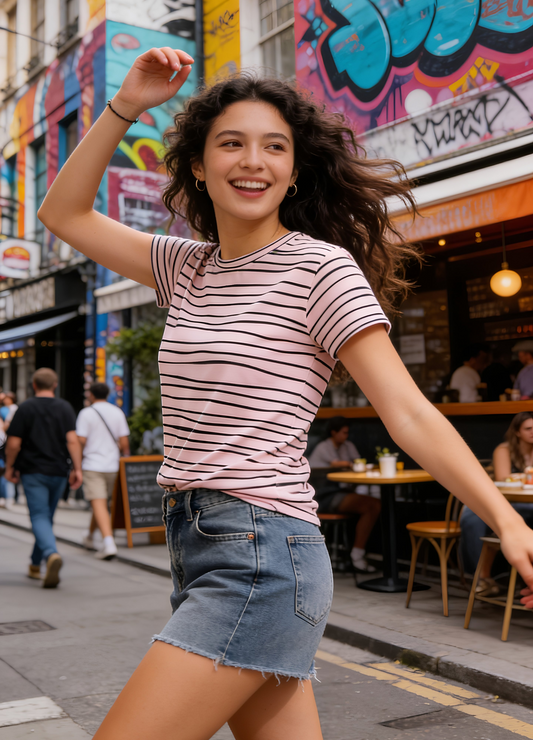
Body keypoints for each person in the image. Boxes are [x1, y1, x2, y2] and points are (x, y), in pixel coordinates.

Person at [37, 46, 533, 740]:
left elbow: (407, 410)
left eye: (274, 147)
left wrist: (503, 518)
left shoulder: (318, 268)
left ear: (294, 172)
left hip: (260, 551)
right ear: (199, 167)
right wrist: (126, 106)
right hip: (200, 542)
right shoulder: (183, 267)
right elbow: (63, 213)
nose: (252, 161)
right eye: (231, 144)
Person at [4, 368, 82, 588]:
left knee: (39, 516)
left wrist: (10, 467)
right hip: (58, 471)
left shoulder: (26, 407)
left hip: (32, 471)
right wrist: (78, 468)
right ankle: (35, 564)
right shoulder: (64, 407)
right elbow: (72, 441)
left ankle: (50, 554)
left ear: (34, 385)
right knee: (46, 517)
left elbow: (13, 443)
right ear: (54, 384)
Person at [461, 412, 533, 595]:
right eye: (528, 428)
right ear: (517, 432)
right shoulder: (504, 450)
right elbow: (503, 479)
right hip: (501, 502)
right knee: (474, 519)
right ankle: (482, 578)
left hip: (526, 503)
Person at [309, 417, 380, 572]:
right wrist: (351, 464)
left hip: (343, 491)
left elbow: (358, 462)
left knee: (374, 504)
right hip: (323, 496)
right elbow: (339, 464)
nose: (346, 436)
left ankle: (357, 553)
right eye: (344, 432)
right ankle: (357, 555)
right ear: (333, 432)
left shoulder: (348, 446)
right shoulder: (324, 446)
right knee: (372, 505)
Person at [77, 381, 130, 560]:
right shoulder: (117, 412)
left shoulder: (86, 413)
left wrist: (76, 463)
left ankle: (108, 543)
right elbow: (124, 443)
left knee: (98, 502)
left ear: (91, 395)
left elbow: (81, 441)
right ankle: (90, 536)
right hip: (112, 465)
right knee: (99, 502)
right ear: (107, 394)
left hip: (92, 465)